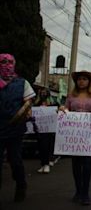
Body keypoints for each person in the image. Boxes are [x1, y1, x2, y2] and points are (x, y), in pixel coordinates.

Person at [59, 70, 91, 205]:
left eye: (84, 79)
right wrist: (62, 110)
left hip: (89, 135)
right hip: (74, 135)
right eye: (79, 79)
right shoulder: (71, 96)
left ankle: (85, 193)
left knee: (87, 164)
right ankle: (78, 191)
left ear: (89, 81)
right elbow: (66, 110)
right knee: (76, 165)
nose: (81, 81)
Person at [0, 53, 35, 203]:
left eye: (10, 62)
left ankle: (21, 185)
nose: (7, 65)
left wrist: (26, 112)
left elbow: (28, 102)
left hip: (15, 128)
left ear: (14, 64)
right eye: (3, 62)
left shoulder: (22, 83)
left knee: (15, 160)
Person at [34, 88, 58, 174]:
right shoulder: (37, 103)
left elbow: (57, 111)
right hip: (39, 129)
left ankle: (47, 164)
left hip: (49, 129)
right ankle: (43, 164)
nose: (43, 94)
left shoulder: (52, 103)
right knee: (40, 147)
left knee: (47, 146)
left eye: (45, 92)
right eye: (42, 92)